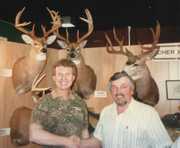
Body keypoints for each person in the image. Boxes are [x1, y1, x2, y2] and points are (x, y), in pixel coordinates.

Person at [80, 71, 173, 148]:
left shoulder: (148, 113)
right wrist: (75, 142)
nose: (118, 91)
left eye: (123, 87)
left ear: (132, 90)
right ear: (111, 91)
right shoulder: (106, 111)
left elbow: (164, 146)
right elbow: (98, 140)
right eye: (114, 87)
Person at [29, 59, 89, 148]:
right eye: (60, 74)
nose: (63, 78)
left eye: (67, 74)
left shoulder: (80, 103)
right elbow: (34, 135)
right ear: (54, 77)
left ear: (73, 78)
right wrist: (66, 142)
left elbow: (85, 133)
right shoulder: (44, 102)